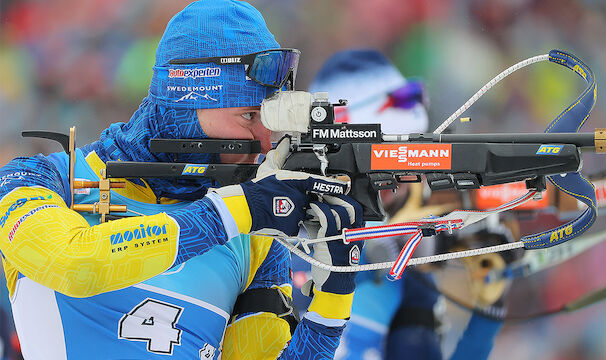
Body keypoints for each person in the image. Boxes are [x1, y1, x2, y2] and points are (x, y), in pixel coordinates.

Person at [0, 1, 363, 359]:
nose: (266, 142)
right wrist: (231, 213)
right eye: (249, 115)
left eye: (269, 118)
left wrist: (330, 306)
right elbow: (73, 263)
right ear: (185, 104)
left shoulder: (254, 239)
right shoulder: (39, 179)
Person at [299, 49, 512, 360]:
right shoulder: (279, 230)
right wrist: (379, 252)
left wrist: (488, 311)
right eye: (400, 160)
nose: (415, 181)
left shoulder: (404, 278)